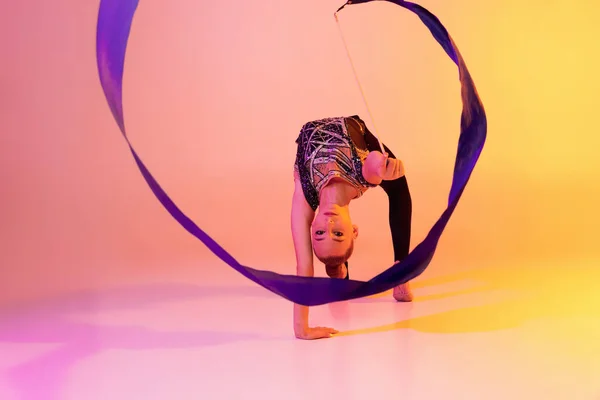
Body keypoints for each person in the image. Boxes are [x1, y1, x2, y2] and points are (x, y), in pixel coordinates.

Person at [291, 115, 414, 340]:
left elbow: (304, 268)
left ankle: (338, 272)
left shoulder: (305, 197)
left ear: (311, 229)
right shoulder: (361, 175)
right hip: (354, 130)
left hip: (310, 132)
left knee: (336, 244)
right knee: (399, 188)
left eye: (319, 233)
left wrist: (302, 329)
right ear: (354, 231)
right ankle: (401, 271)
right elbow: (373, 163)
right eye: (338, 234)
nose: (328, 223)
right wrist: (384, 169)